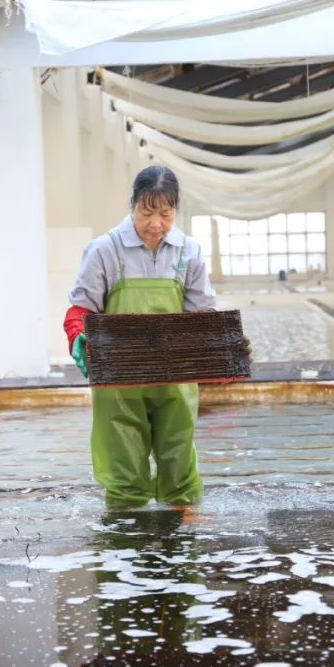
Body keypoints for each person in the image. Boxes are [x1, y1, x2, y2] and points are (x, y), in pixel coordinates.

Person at [63, 166, 216, 508]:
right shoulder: (104, 249)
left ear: (176, 210)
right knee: (123, 473)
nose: (156, 224)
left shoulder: (188, 251)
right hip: (119, 380)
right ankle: (124, 540)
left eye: (165, 213)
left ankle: (181, 547)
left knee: (179, 465)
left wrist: (212, 351)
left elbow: (202, 314)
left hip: (174, 380)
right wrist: (78, 337)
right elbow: (80, 310)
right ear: (132, 205)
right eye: (147, 212)